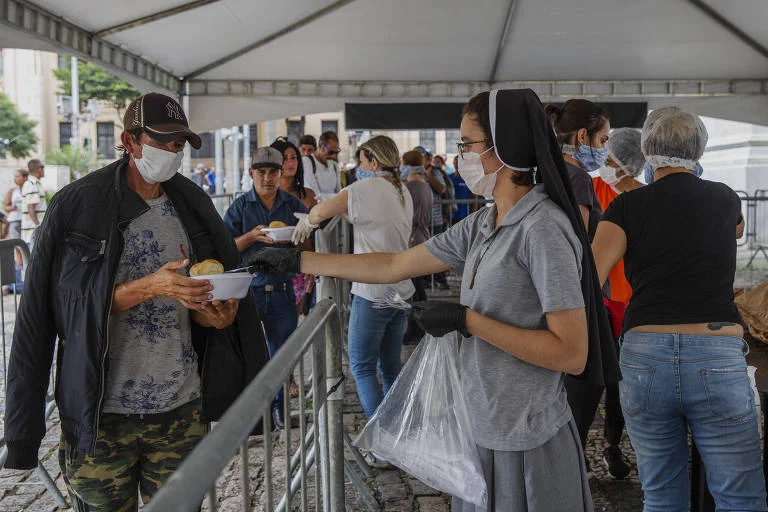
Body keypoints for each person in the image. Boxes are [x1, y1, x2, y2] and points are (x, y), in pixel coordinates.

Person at [252, 89, 621, 511]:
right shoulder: (485, 221)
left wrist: (469, 321)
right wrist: (300, 261)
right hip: (480, 426)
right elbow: (394, 264)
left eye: (467, 144)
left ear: (503, 149)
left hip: (526, 438)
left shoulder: (543, 230)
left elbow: (572, 354)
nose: (461, 153)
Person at [2, 92, 269, 510]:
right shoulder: (77, 206)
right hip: (101, 417)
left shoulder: (192, 204)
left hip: (180, 410)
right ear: (129, 141)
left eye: (179, 144)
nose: (172, 152)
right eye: (162, 141)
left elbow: (198, 307)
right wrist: (150, 287)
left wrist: (215, 316)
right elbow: (52, 310)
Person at [592, 107, 767, 511]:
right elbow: (736, 229)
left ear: (647, 150)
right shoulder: (724, 198)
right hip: (716, 351)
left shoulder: (626, 207)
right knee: (740, 496)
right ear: (700, 149)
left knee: (661, 493)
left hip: (645, 353)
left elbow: (591, 274)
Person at [291, 135, 414, 421]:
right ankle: (394, 432)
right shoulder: (401, 191)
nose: (358, 167)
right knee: (391, 365)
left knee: (361, 366)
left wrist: (309, 221)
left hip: (373, 292)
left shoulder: (363, 188)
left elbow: (320, 212)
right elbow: (372, 218)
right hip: (401, 289)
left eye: (361, 161)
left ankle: (380, 438)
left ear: (372, 161)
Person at [545, 99, 616, 472]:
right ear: (583, 135)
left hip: (551, 304)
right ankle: (566, 474)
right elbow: (580, 253)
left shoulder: (545, 171)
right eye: (603, 140)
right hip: (582, 305)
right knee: (582, 395)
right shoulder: (578, 178)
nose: (604, 149)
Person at [223, 146, 310, 429]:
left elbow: (308, 242)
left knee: (282, 356)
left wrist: (293, 241)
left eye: (273, 172)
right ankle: (254, 416)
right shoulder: (240, 207)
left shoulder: (293, 205)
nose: (268, 178)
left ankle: (280, 411)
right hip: (248, 291)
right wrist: (250, 237)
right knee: (249, 354)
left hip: (283, 289)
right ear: (251, 174)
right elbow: (226, 250)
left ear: (281, 173)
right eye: (261, 172)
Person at [271, 136, 317, 319]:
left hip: (301, 262)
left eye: (293, 157)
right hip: (272, 265)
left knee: (294, 321)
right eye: (284, 158)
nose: (290, 162)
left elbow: (315, 234)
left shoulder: (308, 195)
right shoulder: (265, 196)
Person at [401, 150, 433, 343]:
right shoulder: (424, 186)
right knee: (417, 286)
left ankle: (417, 327)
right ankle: (420, 326)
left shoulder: (410, 187)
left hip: (412, 239)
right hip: (422, 237)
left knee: (414, 288)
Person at [416, 147, 450, 290]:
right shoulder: (412, 173)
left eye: (424, 157)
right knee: (421, 252)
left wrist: (429, 176)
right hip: (420, 220)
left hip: (435, 219)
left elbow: (442, 189)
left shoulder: (435, 171)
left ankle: (441, 280)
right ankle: (426, 281)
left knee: (438, 251)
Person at [302, 131, 342, 200]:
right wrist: (337, 198)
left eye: (336, 152)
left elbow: (339, 190)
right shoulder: (307, 162)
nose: (333, 156)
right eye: (330, 152)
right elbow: (316, 196)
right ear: (320, 146)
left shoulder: (331, 163)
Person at [21, 158, 47, 247]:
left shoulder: (34, 183)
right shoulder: (32, 184)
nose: (44, 170)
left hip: (32, 233)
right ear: (39, 169)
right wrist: (38, 227)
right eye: (43, 168)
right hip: (33, 234)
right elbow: (31, 208)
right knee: (32, 260)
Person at [450, 155, 477, 223]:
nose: (456, 164)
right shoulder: (449, 178)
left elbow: (474, 197)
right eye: (455, 162)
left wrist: (473, 214)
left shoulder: (469, 178)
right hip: (451, 215)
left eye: (458, 162)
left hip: (465, 214)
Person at [4, 169, 27, 240]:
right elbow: (5, 207)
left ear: (25, 177)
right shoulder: (12, 191)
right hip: (15, 221)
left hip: (26, 221)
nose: (15, 179)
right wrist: (13, 208)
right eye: (14, 177)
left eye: (17, 176)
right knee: (17, 244)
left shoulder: (30, 189)